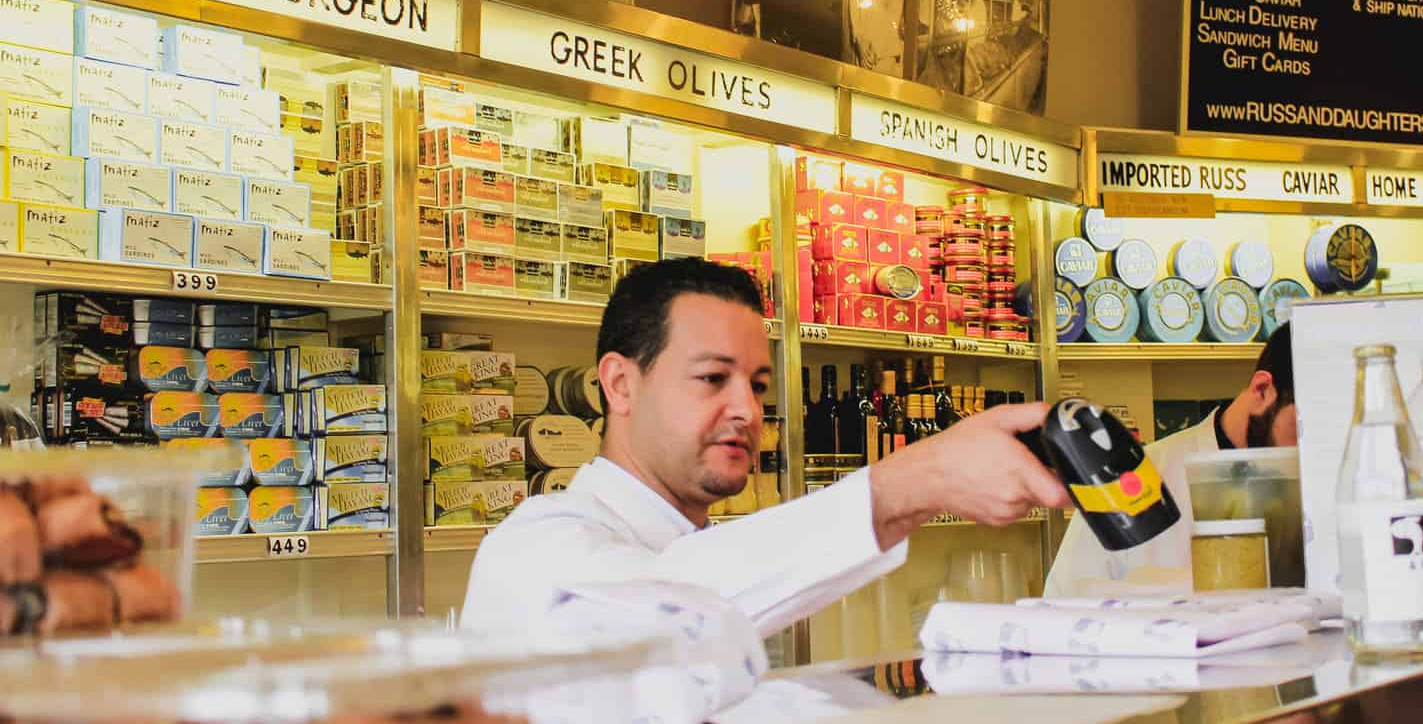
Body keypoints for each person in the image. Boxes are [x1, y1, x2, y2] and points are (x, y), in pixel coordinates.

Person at [462, 259, 1070, 640]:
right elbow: (670, 609)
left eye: (756, 385)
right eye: (712, 379)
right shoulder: (532, 549)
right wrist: (915, 480)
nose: (747, 412)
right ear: (620, 384)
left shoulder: (699, 544)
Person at [1042, 323, 1298, 596]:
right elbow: (1064, 601)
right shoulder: (1134, 476)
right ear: (1262, 390)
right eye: (1305, 426)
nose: (1314, 447)